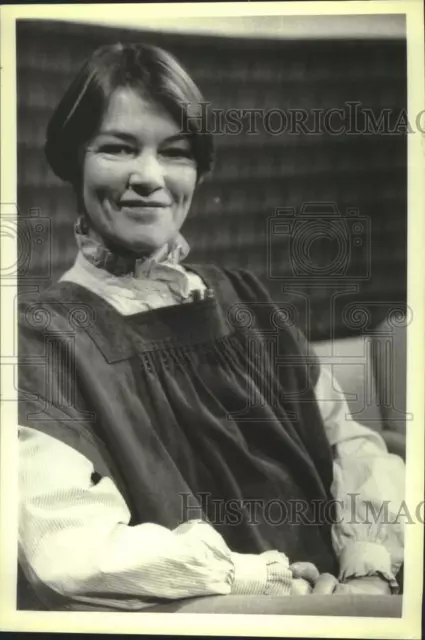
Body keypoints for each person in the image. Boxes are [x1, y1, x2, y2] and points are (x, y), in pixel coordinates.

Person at [17, 42, 405, 612]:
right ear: (74, 161)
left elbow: (350, 443)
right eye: (119, 148)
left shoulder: (247, 300)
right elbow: (69, 552)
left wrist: (368, 570)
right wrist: (270, 584)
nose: (148, 176)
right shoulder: (40, 340)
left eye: (175, 153)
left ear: (199, 172)